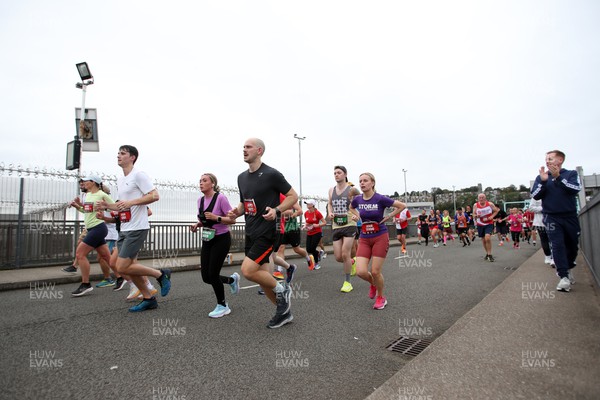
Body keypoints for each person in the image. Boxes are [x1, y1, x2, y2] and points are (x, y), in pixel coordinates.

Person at [227, 138, 298, 329]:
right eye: (243, 147)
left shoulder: (271, 174)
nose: (244, 150)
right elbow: (245, 203)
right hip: (251, 231)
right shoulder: (241, 177)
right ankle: (283, 313)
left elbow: (293, 196)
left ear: (259, 151)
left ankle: (283, 290)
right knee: (265, 281)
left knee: (248, 270)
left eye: (248, 147)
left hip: (268, 231)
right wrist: (236, 211)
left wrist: (277, 210)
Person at [99, 145, 172, 312]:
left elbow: (154, 195)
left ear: (132, 157)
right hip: (124, 228)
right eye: (118, 153)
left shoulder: (138, 175)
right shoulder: (121, 179)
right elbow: (121, 206)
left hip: (137, 227)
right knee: (126, 266)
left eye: (123, 153)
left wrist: (131, 202)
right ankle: (149, 298)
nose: (118, 155)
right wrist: (106, 206)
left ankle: (161, 274)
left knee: (122, 266)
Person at [349, 172, 406, 310]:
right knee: (361, 271)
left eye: (365, 180)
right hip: (364, 237)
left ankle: (381, 297)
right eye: (360, 181)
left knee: (375, 271)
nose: (362, 183)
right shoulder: (357, 199)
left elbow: (402, 205)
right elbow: (351, 208)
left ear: (372, 183)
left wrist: (389, 216)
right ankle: (373, 284)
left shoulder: (380, 198)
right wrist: (358, 217)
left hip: (380, 236)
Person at [190, 173, 240, 318]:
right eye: (200, 181)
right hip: (207, 238)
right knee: (206, 277)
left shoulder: (221, 198)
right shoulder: (200, 200)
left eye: (204, 181)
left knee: (213, 274)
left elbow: (232, 220)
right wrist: (197, 225)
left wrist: (217, 217)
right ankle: (231, 280)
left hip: (221, 239)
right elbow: (206, 220)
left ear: (212, 184)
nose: (201, 183)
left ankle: (223, 305)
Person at [531, 150, 581, 292]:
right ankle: (563, 277)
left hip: (570, 217)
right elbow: (535, 195)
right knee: (557, 245)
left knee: (572, 246)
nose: (548, 161)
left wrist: (558, 177)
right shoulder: (541, 177)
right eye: (546, 159)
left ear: (560, 160)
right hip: (551, 217)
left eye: (551, 158)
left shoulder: (570, 174)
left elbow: (575, 189)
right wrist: (543, 182)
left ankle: (569, 266)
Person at [69, 175, 115, 296]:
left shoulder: (102, 194)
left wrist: (105, 209)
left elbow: (115, 210)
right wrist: (78, 206)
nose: (83, 183)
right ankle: (125, 278)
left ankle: (86, 284)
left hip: (99, 227)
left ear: (93, 182)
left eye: (86, 181)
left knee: (80, 254)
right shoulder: (88, 195)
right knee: (107, 257)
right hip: (91, 228)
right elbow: (86, 211)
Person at [327, 166, 361, 293]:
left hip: (349, 224)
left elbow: (361, 204)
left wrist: (357, 215)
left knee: (345, 253)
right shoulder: (331, 190)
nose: (336, 175)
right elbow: (330, 203)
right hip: (336, 224)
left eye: (339, 173)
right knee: (338, 257)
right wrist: (330, 212)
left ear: (345, 174)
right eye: (334, 173)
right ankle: (352, 262)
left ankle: (347, 282)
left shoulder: (352, 190)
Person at [62, 179, 88, 274]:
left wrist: (79, 205)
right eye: (80, 185)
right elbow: (86, 211)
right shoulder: (84, 196)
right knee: (80, 243)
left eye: (83, 185)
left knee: (104, 255)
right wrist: (77, 206)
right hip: (89, 225)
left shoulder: (93, 195)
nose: (81, 186)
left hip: (96, 225)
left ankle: (119, 271)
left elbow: (90, 210)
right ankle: (75, 266)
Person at [473, 193, 499, 262]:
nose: (481, 199)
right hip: (480, 224)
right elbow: (473, 214)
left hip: (489, 223)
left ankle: (490, 255)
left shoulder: (490, 204)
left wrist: (492, 216)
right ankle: (487, 253)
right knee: (484, 240)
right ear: (478, 199)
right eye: (480, 198)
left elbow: (496, 211)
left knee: (487, 238)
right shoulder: (475, 205)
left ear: (485, 198)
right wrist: (476, 216)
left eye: (482, 197)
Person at [528, 198, 553, 265]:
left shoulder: (553, 194)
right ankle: (547, 255)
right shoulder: (536, 196)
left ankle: (553, 257)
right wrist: (543, 208)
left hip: (552, 221)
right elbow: (531, 208)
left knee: (553, 240)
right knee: (544, 240)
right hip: (540, 223)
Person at [303, 199, 326, 270]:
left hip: (317, 232)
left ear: (312, 205)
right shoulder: (306, 213)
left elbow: (324, 222)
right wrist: (304, 226)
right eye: (306, 204)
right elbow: (307, 222)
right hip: (309, 232)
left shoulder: (317, 213)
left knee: (312, 248)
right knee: (308, 249)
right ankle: (319, 253)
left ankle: (317, 264)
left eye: (308, 204)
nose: (307, 205)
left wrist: (318, 225)